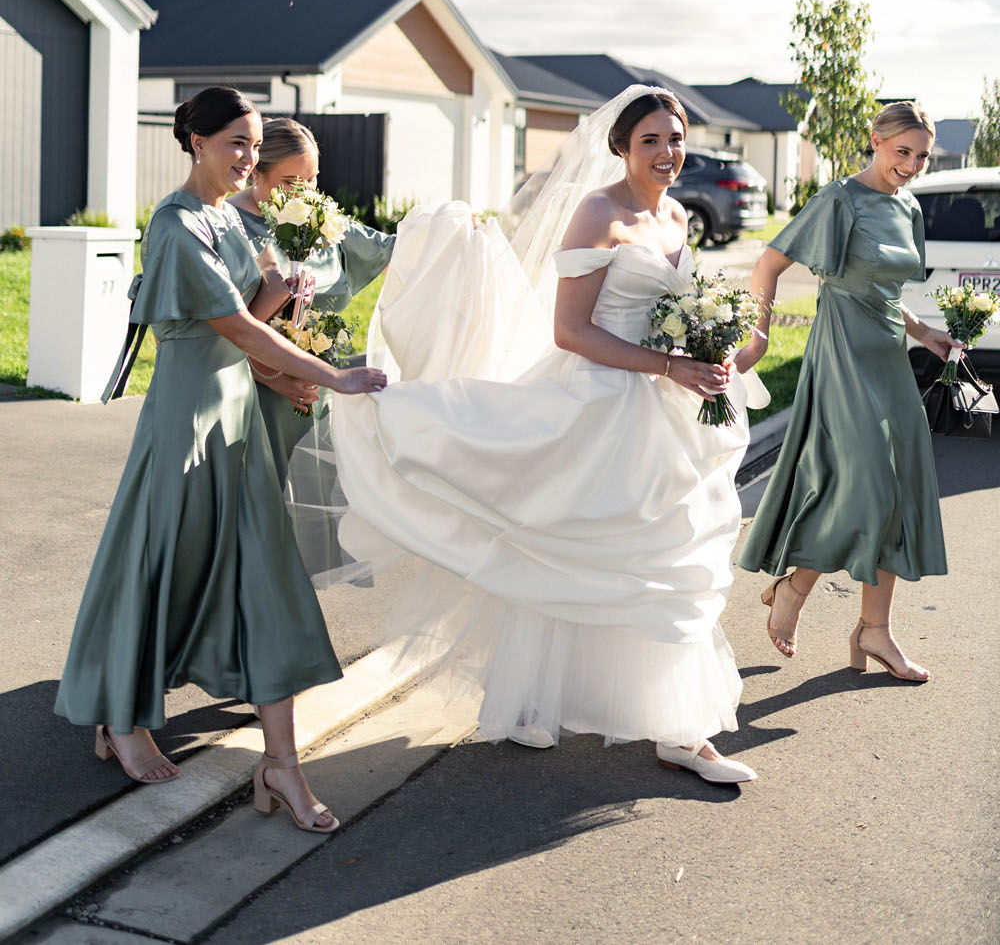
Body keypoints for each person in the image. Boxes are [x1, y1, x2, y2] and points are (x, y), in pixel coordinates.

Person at [329, 87, 764, 784]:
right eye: (650, 139)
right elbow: (571, 331)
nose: (666, 152)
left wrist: (720, 348)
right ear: (621, 146)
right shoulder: (598, 211)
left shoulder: (678, 214)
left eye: (676, 138)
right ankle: (542, 701)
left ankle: (681, 729)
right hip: (599, 402)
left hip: (664, 411)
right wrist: (667, 363)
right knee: (572, 548)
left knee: (662, 555)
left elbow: (677, 311)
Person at [55, 87, 386, 834]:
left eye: (253, 142)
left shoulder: (227, 221)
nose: (247, 158)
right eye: (236, 142)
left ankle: (281, 764)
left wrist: (286, 290)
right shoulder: (176, 227)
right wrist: (333, 374)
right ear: (196, 142)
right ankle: (120, 719)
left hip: (237, 418)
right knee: (161, 571)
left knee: (267, 585)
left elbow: (254, 313)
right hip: (185, 424)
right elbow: (234, 327)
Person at [734, 102, 952, 681]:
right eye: (902, 151)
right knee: (868, 484)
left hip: (887, 357)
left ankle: (874, 631)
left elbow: (878, 286)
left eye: (922, 155)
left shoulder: (907, 206)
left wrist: (924, 331)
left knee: (900, 486)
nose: (911, 164)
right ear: (875, 141)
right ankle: (796, 583)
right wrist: (757, 337)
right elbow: (767, 265)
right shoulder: (839, 199)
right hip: (842, 353)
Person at [230, 116, 396, 584]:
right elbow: (218, 328)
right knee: (254, 521)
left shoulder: (323, 221)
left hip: (316, 396)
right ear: (255, 171)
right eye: (290, 181)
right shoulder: (227, 224)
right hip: (253, 396)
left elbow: (392, 249)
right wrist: (274, 376)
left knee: (306, 530)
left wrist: (450, 229)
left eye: (313, 179)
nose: (304, 192)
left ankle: (289, 625)